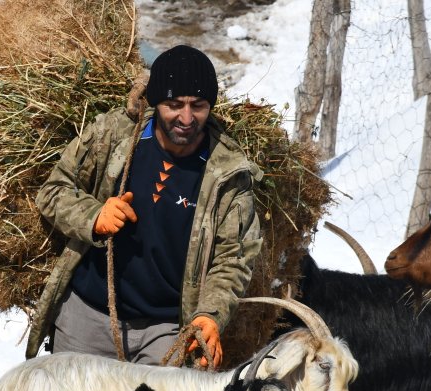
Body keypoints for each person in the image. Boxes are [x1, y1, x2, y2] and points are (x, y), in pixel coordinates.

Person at [26, 44, 262, 368]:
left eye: (199, 105)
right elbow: (53, 191)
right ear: (155, 101)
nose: (186, 117)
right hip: (88, 318)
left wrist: (211, 315)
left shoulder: (228, 174)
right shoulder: (114, 136)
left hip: (165, 332)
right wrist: (94, 216)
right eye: (174, 104)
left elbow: (233, 259)